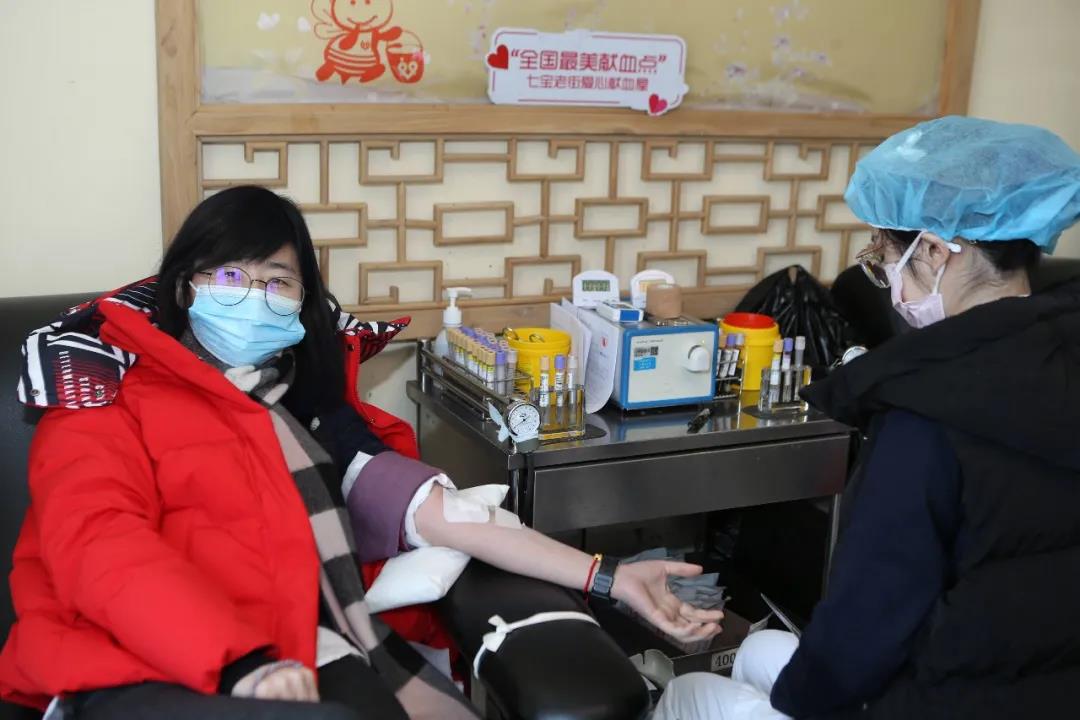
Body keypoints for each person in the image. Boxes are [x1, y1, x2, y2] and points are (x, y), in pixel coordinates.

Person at [0, 186, 722, 720]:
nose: (252, 296)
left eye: (277, 281)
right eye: (229, 275)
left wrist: (610, 577)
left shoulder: (304, 410)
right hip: (133, 663)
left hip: (301, 646)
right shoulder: (102, 389)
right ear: (186, 285)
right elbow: (99, 544)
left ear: (301, 304)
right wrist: (239, 662)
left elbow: (446, 516)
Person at [653, 116, 1080, 719]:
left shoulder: (928, 414)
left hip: (942, 697)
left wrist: (804, 700)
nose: (887, 284)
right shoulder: (1060, 349)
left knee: (688, 692)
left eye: (884, 259)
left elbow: (869, 618)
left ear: (934, 250)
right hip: (1041, 679)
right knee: (760, 650)